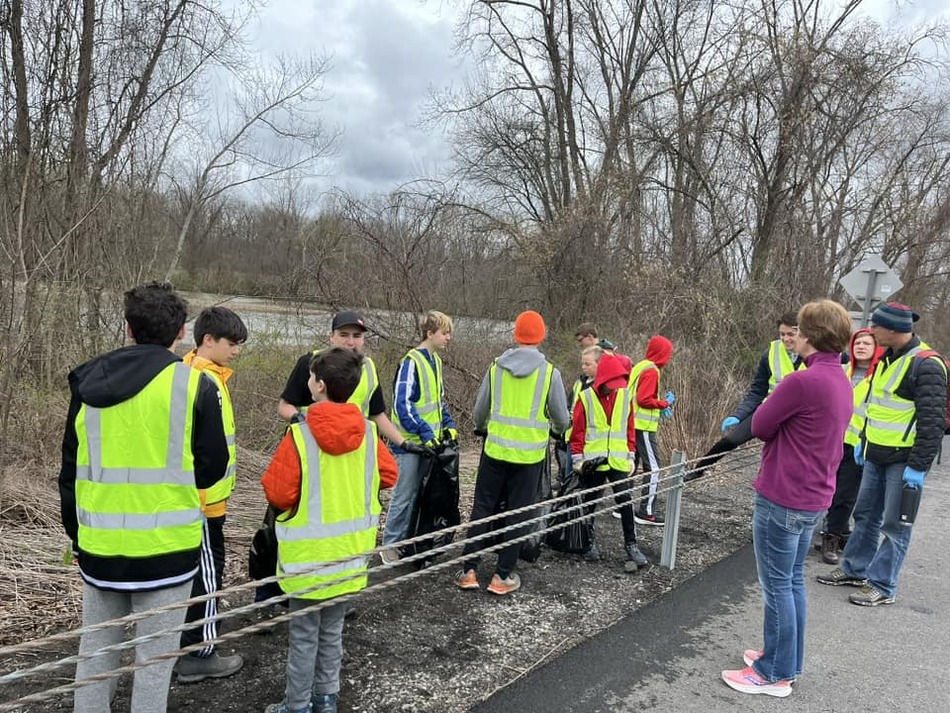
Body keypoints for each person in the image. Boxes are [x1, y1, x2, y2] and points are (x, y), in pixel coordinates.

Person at [59, 282, 229, 713]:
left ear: (128, 327)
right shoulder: (195, 387)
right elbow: (212, 468)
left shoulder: (88, 384)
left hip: (100, 548)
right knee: (154, 666)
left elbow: (69, 474)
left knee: (95, 658)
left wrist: (77, 539)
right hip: (168, 552)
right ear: (181, 332)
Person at [721, 299, 853, 698]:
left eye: (797, 330)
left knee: (776, 584)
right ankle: (784, 658)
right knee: (791, 581)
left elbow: (760, 425)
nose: (792, 337)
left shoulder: (802, 381)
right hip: (814, 495)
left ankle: (772, 674)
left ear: (809, 336)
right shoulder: (840, 379)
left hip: (784, 494)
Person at [262, 348, 399, 713]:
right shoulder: (370, 434)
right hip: (350, 557)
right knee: (333, 633)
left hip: (307, 561)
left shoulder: (301, 435)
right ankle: (326, 699)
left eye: (310, 377)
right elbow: (389, 476)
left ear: (318, 385)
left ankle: (296, 706)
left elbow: (277, 491)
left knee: (304, 637)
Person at [817, 302, 947, 606]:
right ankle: (854, 569)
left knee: (895, 524)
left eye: (876, 326)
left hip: (905, 461)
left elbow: (933, 422)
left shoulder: (926, 364)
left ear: (893, 329)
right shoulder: (886, 359)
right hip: (875, 453)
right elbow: (875, 407)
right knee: (865, 515)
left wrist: (918, 468)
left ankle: (882, 585)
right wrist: (863, 440)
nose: (871, 331)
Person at [454, 310, 571, 595]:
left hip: (495, 451)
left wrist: (482, 428)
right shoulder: (549, 373)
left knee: (482, 508)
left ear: (515, 335)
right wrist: (557, 429)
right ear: (541, 336)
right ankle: (502, 575)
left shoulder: (496, 368)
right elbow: (562, 417)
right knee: (519, 514)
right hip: (529, 457)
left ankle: (468, 570)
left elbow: (480, 409)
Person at [174, 307, 248, 682]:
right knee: (207, 575)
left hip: (206, 500)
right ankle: (200, 653)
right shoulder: (201, 380)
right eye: (232, 344)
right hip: (202, 503)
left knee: (196, 574)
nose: (236, 351)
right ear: (207, 340)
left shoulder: (190, 373)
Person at [381, 310, 457, 563]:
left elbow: (438, 401)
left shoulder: (435, 362)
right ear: (430, 333)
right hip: (410, 445)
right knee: (405, 494)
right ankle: (390, 545)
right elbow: (403, 405)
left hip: (430, 445)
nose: (448, 338)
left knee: (422, 495)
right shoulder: (411, 362)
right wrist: (423, 431)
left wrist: (447, 425)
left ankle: (410, 541)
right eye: (445, 333)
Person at [693, 312, 803, 479]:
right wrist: (739, 415)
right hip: (770, 409)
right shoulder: (771, 353)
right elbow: (757, 390)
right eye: (782, 334)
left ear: (801, 332)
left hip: (799, 417)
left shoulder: (814, 355)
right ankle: (696, 471)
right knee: (731, 440)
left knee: (785, 456)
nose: (786, 338)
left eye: (791, 334)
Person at [569, 352, 649, 571]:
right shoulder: (585, 398)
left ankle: (631, 544)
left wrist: (631, 454)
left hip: (618, 459)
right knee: (590, 501)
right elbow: (578, 432)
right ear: (602, 379)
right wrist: (578, 460)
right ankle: (588, 541)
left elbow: (629, 428)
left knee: (624, 500)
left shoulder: (624, 396)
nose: (613, 388)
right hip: (593, 461)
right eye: (610, 383)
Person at [277, 310, 403, 445]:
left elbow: (376, 414)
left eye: (357, 336)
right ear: (331, 336)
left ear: (363, 339)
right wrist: (299, 419)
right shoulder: (311, 363)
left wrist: (403, 443)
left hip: (355, 447)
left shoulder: (369, 368)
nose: (351, 342)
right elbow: (284, 406)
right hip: (315, 444)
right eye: (344, 335)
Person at [818, 328, 882, 564]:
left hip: (858, 445)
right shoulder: (843, 371)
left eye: (867, 343)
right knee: (826, 488)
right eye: (857, 343)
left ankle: (831, 537)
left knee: (845, 495)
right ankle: (838, 530)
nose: (861, 346)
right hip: (832, 441)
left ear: (876, 349)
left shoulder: (878, 377)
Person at [629, 336, 675, 526]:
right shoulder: (652, 371)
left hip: (632, 424)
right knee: (654, 469)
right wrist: (665, 403)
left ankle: (621, 507)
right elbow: (644, 399)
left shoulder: (640, 366)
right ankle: (646, 512)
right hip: (644, 427)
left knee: (630, 467)